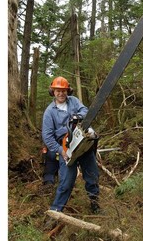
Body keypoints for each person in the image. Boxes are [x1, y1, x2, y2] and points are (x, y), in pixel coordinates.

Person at [42, 76, 101, 214]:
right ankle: (56, 211)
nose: (61, 93)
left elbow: (85, 111)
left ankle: (95, 205)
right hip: (66, 149)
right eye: (58, 91)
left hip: (82, 143)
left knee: (92, 175)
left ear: (68, 91)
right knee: (66, 182)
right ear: (53, 91)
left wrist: (75, 118)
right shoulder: (49, 112)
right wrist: (60, 150)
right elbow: (47, 136)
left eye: (63, 90)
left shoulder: (73, 101)